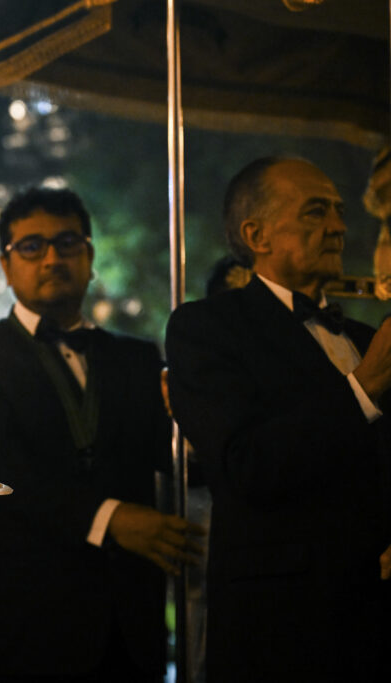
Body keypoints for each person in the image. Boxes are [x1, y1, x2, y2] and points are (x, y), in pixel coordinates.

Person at [0, 186, 204, 682]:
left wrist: (200, 430)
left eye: (67, 243)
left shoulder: (138, 359)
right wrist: (110, 518)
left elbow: (178, 463)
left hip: (132, 628)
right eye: (31, 246)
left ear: (90, 257)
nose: (52, 257)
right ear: (6, 266)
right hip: (25, 628)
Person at [166, 157, 391, 681]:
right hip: (282, 625)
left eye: (337, 211)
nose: (338, 226)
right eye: (316, 212)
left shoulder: (362, 339)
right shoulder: (207, 328)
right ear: (256, 234)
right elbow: (245, 465)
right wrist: (365, 388)